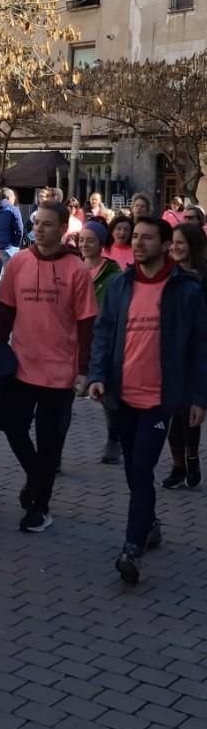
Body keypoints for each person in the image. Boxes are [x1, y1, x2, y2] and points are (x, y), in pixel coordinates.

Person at [88, 217, 207, 585]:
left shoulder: (185, 290)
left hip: (159, 399)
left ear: (166, 243)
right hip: (122, 396)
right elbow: (104, 332)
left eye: (146, 238)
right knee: (134, 473)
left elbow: (200, 347)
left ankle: (132, 547)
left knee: (141, 469)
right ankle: (151, 525)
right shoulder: (122, 285)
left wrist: (199, 397)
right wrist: (96, 375)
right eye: (134, 237)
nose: (137, 243)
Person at [0, 201, 97, 534]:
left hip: (60, 370)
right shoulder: (19, 262)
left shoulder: (77, 270)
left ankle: (40, 506)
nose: (39, 229)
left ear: (64, 229)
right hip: (22, 365)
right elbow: (5, 312)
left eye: (48, 224)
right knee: (11, 425)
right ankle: (37, 476)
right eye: (37, 223)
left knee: (50, 441)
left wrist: (83, 370)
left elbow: (86, 323)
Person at [161, 222, 207, 490]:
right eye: (173, 243)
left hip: (195, 352)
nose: (176, 247)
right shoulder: (167, 273)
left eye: (182, 243)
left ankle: (191, 456)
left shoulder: (203, 276)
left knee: (187, 410)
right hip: (170, 349)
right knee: (171, 412)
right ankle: (178, 464)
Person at [79, 219, 123, 465]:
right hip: (76, 338)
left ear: (101, 244)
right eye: (82, 240)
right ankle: (54, 450)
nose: (85, 245)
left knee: (107, 394)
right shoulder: (74, 268)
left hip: (103, 339)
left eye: (91, 241)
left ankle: (114, 438)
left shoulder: (114, 274)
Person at [0, 187, 24, 269]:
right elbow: (20, 229)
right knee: (11, 274)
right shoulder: (13, 209)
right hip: (10, 247)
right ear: (9, 197)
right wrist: (17, 244)